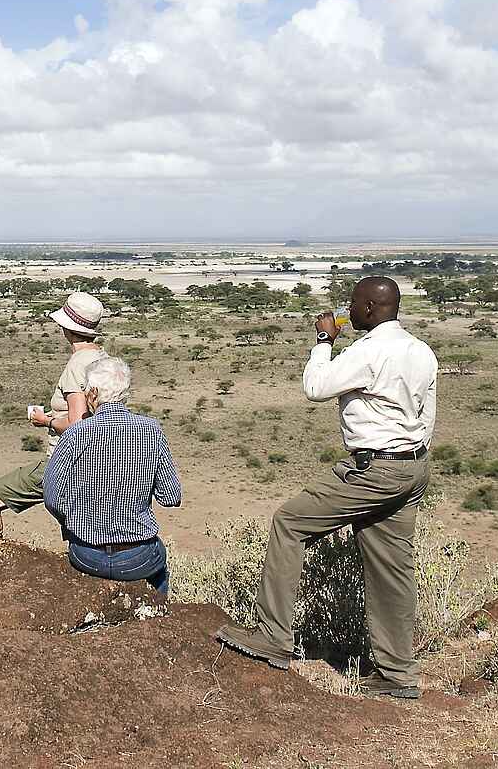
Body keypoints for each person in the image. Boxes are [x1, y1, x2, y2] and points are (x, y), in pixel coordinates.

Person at [216, 276, 438, 701]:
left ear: (369, 308)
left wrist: (323, 340)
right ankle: (397, 673)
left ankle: (272, 636)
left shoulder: (369, 350)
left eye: (352, 304)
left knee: (290, 523)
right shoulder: (420, 350)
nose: (347, 311)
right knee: (391, 568)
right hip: (411, 465)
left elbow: (315, 387)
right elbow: (427, 415)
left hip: (374, 469)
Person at [43, 356, 181, 595]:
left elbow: (52, 498)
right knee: (159, 563)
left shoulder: (75, 434)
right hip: (138, 556)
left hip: (86, 554)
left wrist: (75, 521)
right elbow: (171, 497)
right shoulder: (151, 431)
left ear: (93, 393)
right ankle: (159, 610)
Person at [0, 291, 107, 540]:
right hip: (97, 460)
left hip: (66, 461)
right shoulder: (104, 358)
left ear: (66, 328)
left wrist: (45, 420)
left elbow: (77, 425)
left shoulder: (77, 364)